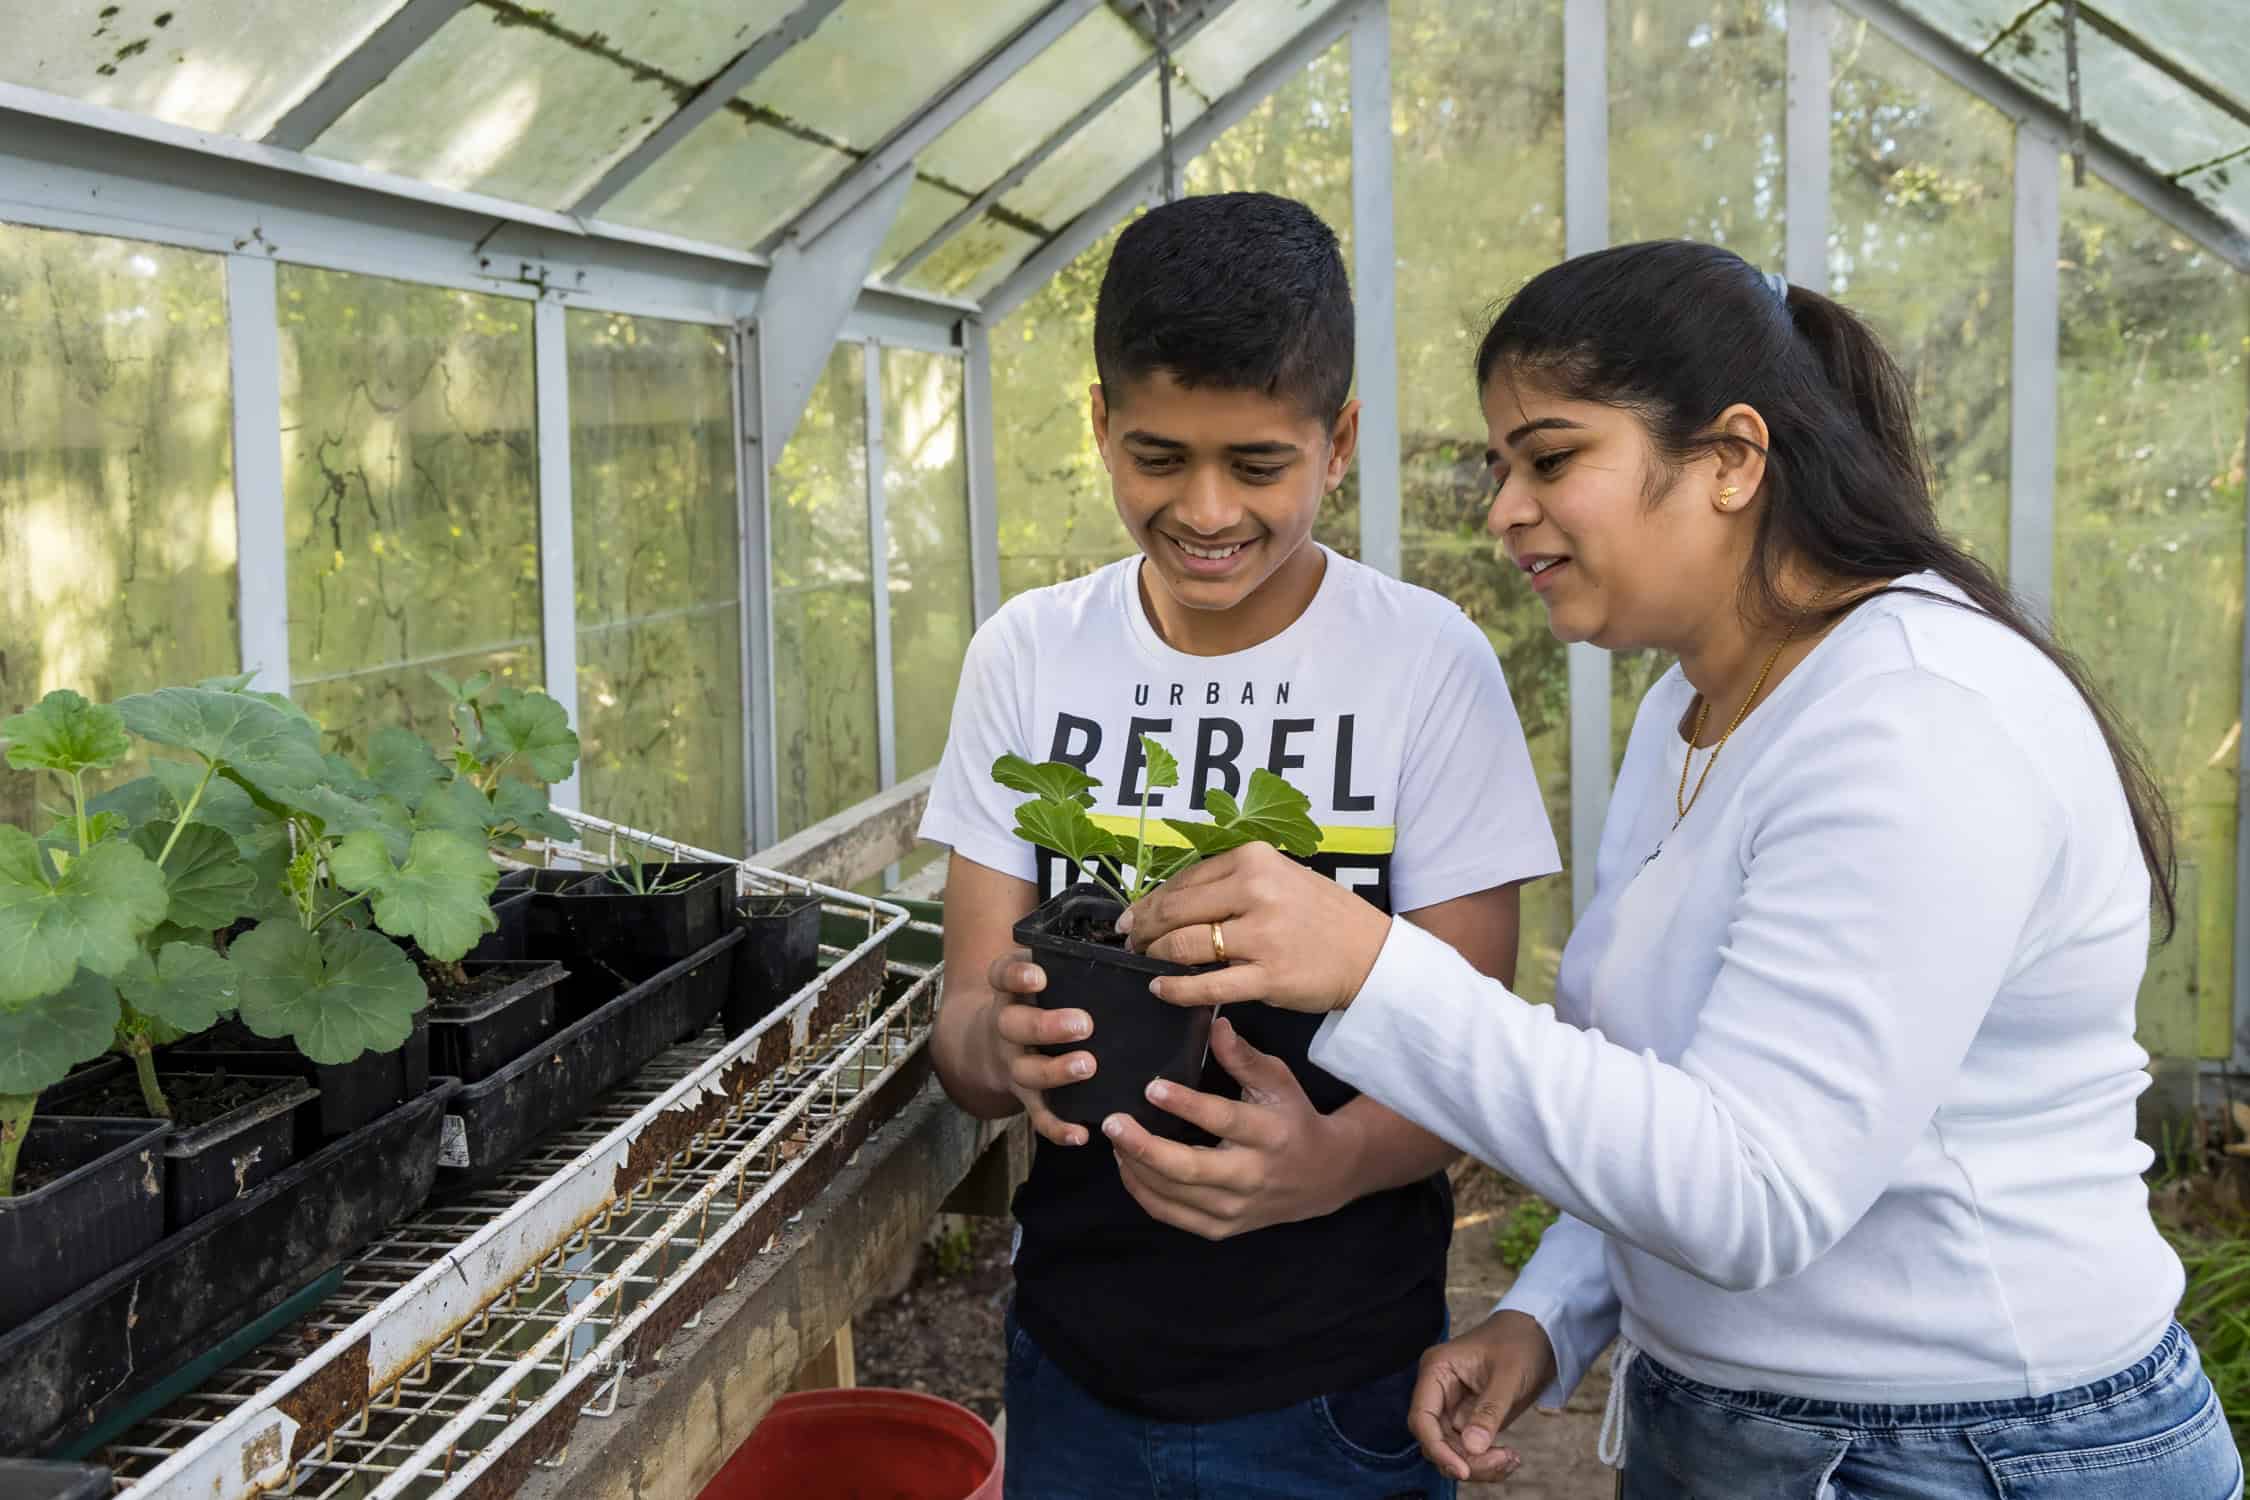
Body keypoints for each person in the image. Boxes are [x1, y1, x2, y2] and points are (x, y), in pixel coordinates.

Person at [1118, 240, 2245, 1498]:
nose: (1504, 510)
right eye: (1504, 467)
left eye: (1551, 458)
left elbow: (1756, 1191)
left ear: (1729, 460)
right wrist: (1553, 1311)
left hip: (1969, 1450)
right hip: (1745, 1428)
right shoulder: (1691, 710)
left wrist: (1374, 971)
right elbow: (1675, 1091)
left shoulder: (1918, 721)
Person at [916, 191, 1561, 1499]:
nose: (1205, 509)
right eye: (1157, 458)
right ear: (1099, 426)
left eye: (1257, 465)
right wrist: (1007, 1049)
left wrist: (1329, 1166)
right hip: (1072, 1360)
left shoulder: (1421, 665)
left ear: (1338, 444)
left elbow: (1468, 1041)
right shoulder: (1030, 656)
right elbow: (966, 1029)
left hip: (1339, 1382)